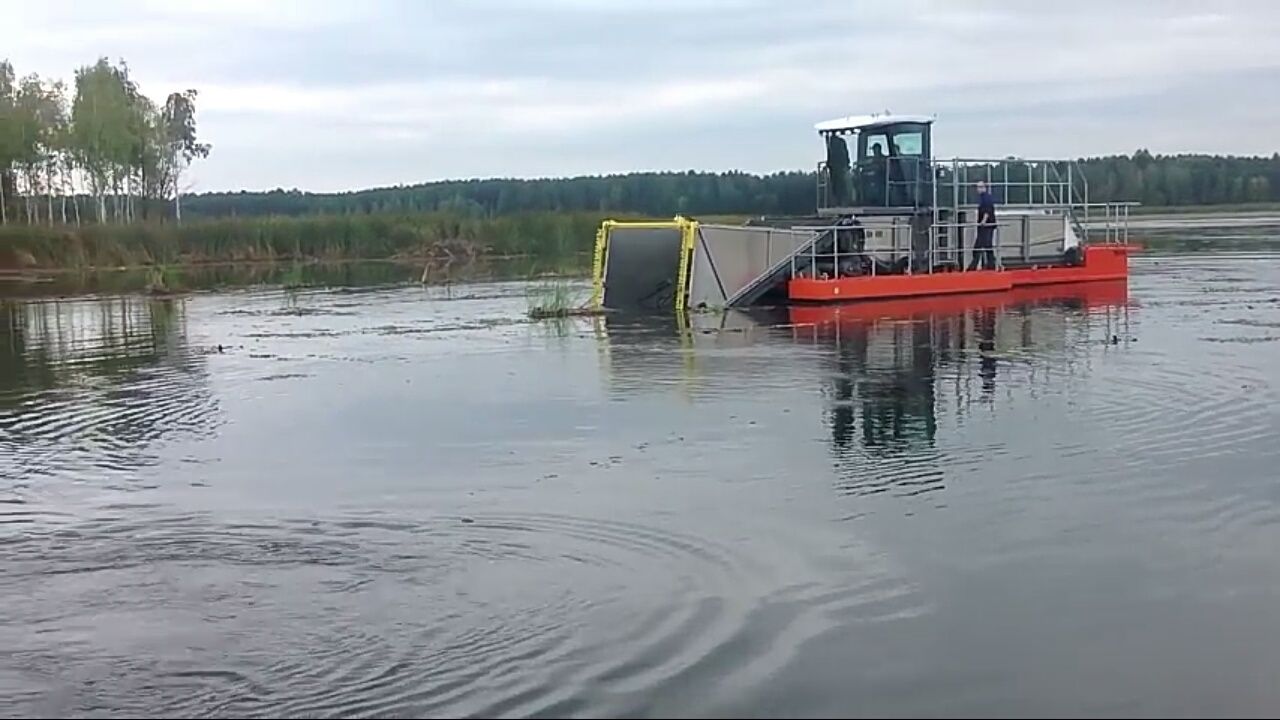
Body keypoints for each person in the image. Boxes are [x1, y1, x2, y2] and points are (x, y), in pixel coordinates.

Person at [968, 180, 997, 270]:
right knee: (986, 246)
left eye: (980, 187)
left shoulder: (986, 198)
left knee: (980, 246)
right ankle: (990, 265)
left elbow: (987, 210)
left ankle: (974, 266)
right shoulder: (984, 198)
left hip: (986, 226)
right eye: (977, 187)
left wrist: (983, 222)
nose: (978, 189)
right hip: (986, 226)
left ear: (984, 188)